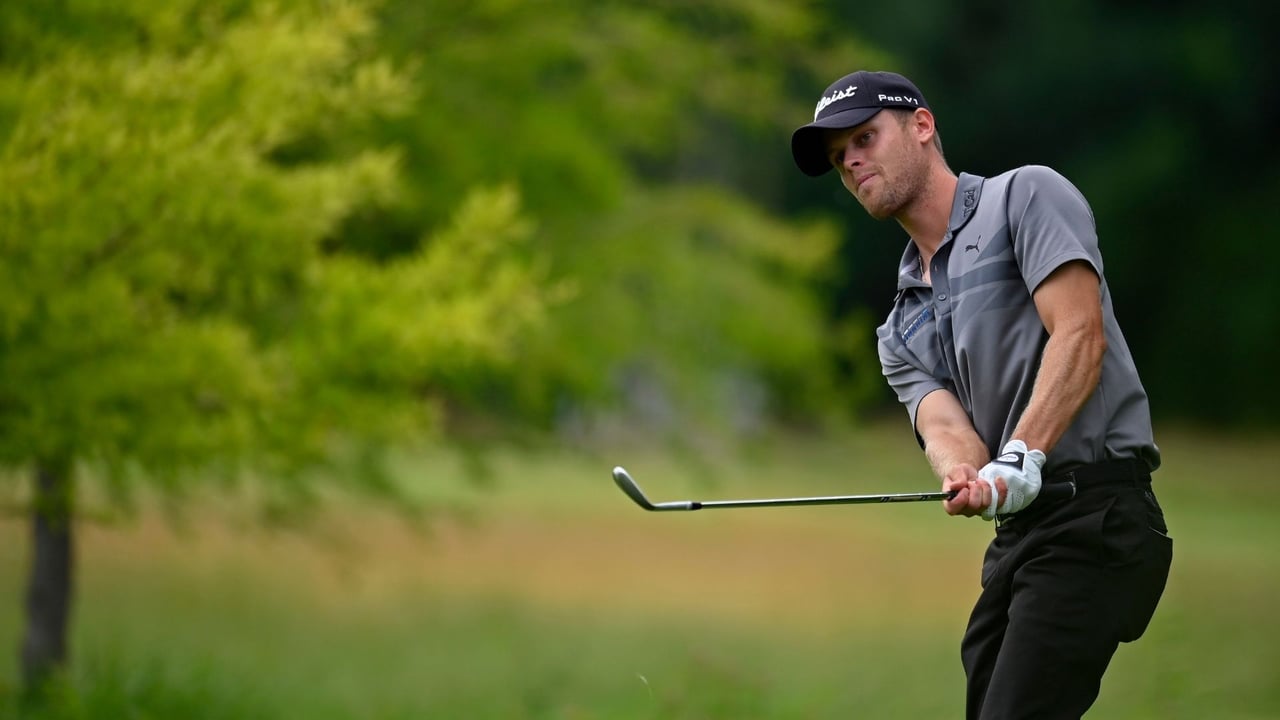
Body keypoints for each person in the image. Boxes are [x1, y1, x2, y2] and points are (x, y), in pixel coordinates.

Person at [790, 70, 1173, 719]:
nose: (851, 162)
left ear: (922, 125)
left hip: (1098, 516)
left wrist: (1021, 455)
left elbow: (1080, 336)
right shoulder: (898, 327)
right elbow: (945, 428)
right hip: (1020, 537)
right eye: (838, 158)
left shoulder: (1025, 198)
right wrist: (965, 474)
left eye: (863, 138)